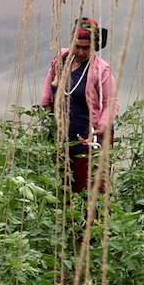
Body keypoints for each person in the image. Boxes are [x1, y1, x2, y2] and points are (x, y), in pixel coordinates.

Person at [40, 17, 117, 196]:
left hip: (89, 139)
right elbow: (50, 85)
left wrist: (102, 127)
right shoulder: (61, 59)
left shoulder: (101, 69)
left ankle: (92, 224)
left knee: (90, 191)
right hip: (62, 138)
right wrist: (46, 110)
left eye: (86, 48)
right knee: (63, 189)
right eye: (77, 46)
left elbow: (111, 103)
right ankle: (68, 224)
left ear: (94, 47)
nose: (80, 52)